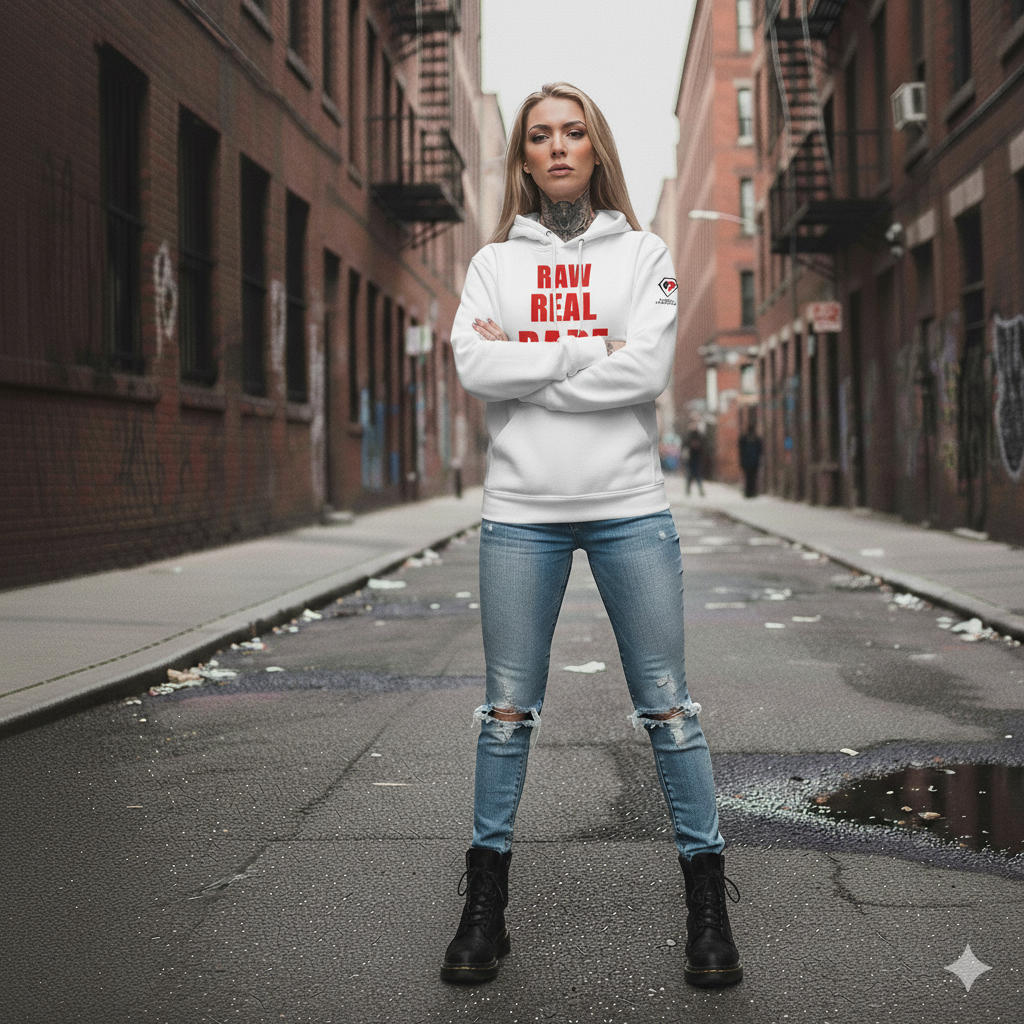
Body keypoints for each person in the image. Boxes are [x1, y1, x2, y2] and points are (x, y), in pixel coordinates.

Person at [443, 82, 742, 989]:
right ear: (524, 157)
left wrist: (529, 362)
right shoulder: (495, 262)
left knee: (669, 710)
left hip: (627, 507)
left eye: (575, 132)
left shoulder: (644, 252)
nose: (559, 147)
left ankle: (708, 909)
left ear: (596, 146)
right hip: (521, 514)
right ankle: (484, 911)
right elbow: (472, 364)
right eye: (541, 136)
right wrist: (586, 352)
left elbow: (644, 372)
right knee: (505, 716)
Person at [739, 422, 763, 498]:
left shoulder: (744, 438)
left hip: (746, 461)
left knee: (748, 477)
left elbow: (741, 449)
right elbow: (761, 450)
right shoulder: (757, 439)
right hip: (755, 461)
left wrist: (742, 460)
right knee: (753, 477)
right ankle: (752, 491)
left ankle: (748, 492)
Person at [685, 424, 705, 497]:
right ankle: (688, 490)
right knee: (690, 475)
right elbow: (686, 445)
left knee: (696, 475)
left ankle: (700, 490)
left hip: (695, 459)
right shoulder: (690, 436)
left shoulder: (698, 436)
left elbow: (701, 447)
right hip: (691, 459)